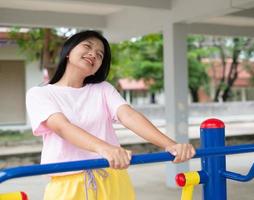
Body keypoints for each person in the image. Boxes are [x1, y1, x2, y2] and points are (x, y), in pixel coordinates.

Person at [26, 30, 195, 200]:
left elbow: (128, 116)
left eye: (100, 55)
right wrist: (106, 149)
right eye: (87, 46)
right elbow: (62, 127)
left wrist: (170, 145)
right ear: (68, 52)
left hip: (112, 176)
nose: (93, 54)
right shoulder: (40, 94)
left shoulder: (103, 89)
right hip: (68, 182)